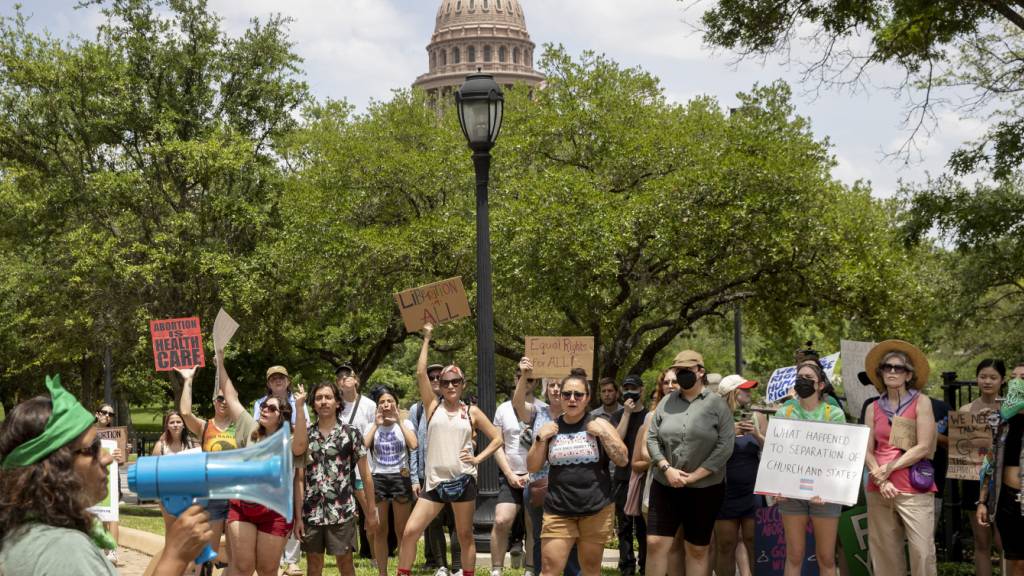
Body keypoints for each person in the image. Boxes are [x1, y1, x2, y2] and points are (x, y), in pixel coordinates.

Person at [0, 375, 211, 576]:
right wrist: (174, 558)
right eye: (92, 449)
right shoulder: (63, 549)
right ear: (53, 467)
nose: (107, 458)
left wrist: (173, 552)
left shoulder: (30, 534)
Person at [396, 322, 504, 576]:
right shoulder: (432, 407)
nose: (450, 386)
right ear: (440, 386)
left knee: (465, 535)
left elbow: (498, 438)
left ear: (463, 384)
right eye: (445, 382)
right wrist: (426, 338)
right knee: (411, 531)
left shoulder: (472, 412)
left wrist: (478, 458)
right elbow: (421, 372)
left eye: (456, 381)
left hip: (463, 480)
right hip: (434, 483)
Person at [524, 367, 627, 576]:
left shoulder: (600, 424)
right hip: (558, 509)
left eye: (578, 394)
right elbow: (532, 467)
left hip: (595, 509)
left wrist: (603, 435)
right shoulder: (551, 429)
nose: (572, 399)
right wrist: (539, 439)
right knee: (549, 569)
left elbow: (623, 459)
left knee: (590, 569)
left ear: (587, 398)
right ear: (560, 397)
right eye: (567, 394)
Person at [215, 352, 307, 576]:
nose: (265, 409)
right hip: (242, 506)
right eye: (265, 406)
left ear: (282, 416)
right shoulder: (249, 426)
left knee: (267, 570)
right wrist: (220, 362)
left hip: (275, 511)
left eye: (272, 408)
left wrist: (302, 406)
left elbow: (301, 448)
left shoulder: (289, 438)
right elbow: (231, 395)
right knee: (244, 568)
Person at [646, 350, 734, 576]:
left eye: (687, 371)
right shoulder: (665, 402)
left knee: (696, 549)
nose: (682, 375)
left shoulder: (717, 405)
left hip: (705, 489)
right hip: (665, 484)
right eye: (678, 371)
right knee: (656, 543)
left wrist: (695, 476)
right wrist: (666, 467)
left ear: (700, 372)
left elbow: (725, 446)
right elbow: (652, 438)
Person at [863, 340, 937, 576]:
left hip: (914, 489)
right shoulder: (872, 407)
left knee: (922, 554)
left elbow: (924, 446)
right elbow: (866, 450)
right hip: (879, 490)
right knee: (885, 556)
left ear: (908, 375)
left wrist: (889, 468)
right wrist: (882, 478)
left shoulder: (921, 402)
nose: (892, 371)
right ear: (880, 372)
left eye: (899, 368)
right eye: (887, 367)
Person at [293, 380, 379, 576]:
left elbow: (366, 476)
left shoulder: (351, 433)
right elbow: (299, 479)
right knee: (313, 565)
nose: (323, 401)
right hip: (311, 512)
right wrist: (298, 517)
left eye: (328, 397)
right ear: (313, 404)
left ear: (337, 403)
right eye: (318, 398)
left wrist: (371, 511)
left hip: (342, 511)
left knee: (345, 564)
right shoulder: (305, 436)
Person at [774, 364, 845, 576]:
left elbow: (838, 457)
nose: (802, 380)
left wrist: (825, 488)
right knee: (794, 555)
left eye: (808, 377)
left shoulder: (833, 414)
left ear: (821, 385)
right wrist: (775, 486)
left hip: (824, 495)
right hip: (790, 493)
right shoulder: (784, 411)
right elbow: (777, 453)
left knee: (826, 557)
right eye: (799, 377)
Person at [514, 368, 583, 576]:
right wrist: (525, 376)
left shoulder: (575, 414)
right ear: (545, 389)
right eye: (551, 385)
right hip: (539, 488)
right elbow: (517, 404)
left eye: (558, 385)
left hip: (568, 488)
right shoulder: (537, 413)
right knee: (540, 538)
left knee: (571, 537)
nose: (554, 389)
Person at [179, 364, 243, 567]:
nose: (223, 402)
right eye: (219, 398)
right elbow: (186, 413)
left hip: (236, 496)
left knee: (236, 558)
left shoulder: (242, 426)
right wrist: (188, 381)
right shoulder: (205, 426)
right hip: (212, 495)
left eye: (227, 398)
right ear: (214, 401)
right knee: (207, 554)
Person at [491, 364, 546, 576]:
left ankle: (530, 569)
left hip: (536, 476)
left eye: (530, 379)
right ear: (515, 379)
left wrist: (532, 474)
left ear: (537, 383)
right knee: (501, 519)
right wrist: (509, 474)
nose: (525, 381)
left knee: (532, 524)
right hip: (510, 475)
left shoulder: (544, 409)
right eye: (520, 377)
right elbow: (498, 445)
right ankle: (497, 569)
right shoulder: (503, 409)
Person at [254, 366, 309, 576]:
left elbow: (302, 438)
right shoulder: (259, 404)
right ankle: (274, 562)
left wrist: (300, 407)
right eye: (273, 378)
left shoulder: (298, 402)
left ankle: (292, 560)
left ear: (288, 381)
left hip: (292, 456)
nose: (277, 381)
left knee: (294, 495)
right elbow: (256, 431)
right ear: (268, 383)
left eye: (281, 378)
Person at [409, 363, 462, 576]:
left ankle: (458, 566)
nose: (434, 380)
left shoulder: (461, 407)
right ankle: (440, 565)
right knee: (434, 522)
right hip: (427, 474)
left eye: (438, 377)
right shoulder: (419, 408)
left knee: (457, 523)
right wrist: (414, 477)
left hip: (456, 474)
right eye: (431, 377)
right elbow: (413, 445)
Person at [632, 369, 684, 575]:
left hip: (687, 486)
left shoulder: (695, 414)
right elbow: (644, 452)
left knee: (678, 546)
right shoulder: (652, 416)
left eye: (675, 381)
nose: (670, 385)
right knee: (657, 545)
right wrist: (666, 462)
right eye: (666, 382)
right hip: (657, 486)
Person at [365, 385, 418, 576]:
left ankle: (403, 571)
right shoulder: (373, 425)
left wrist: (399, 421)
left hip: (400, 477)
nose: (386, 405)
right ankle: (382, 573)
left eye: (390, 401)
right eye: (382, 402)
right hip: (378, 477)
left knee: (402, 530)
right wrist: (375, 425)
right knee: (380, 530)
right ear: (377, 406)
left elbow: (413, 444)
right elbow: (362, 447)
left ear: (396, 404)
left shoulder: (406, 424)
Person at [713, 374, 762, 576]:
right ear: (732, 393)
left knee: (753, 542)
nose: (749, 392)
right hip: (724, 491)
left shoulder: (757, 416)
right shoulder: (715, 417)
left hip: (752, 491)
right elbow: (705, 450)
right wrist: (729, 432)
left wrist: (757, 435)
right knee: (725, 544)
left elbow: (772, 451)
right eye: (745, 389)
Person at [961, 359, 1006, 576]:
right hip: (973, 479)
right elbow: (961, 452)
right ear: (977, 378)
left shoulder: (1011, 409)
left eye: (993, 377)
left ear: (1002, 380)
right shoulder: (966, 410)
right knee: (981, 542)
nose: (987, 381)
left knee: (1004, 543)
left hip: (1004, 481)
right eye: (983, 376)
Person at [978, 373, 1024, 576]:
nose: (1017, 381)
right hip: (1007, 499)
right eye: (1014, 377)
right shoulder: (1001, 421)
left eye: (1023, 377)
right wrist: (982, 501)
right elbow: (989, 463)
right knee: (1015, 561)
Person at [337, 366, 379, 562]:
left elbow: (375, 435)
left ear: (356, 381)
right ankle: (346, 550)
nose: (343, 380)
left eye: (347, 376)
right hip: (340, 470)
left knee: (369, 510)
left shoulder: (369, 406)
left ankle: (373, 554)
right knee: (344, 513)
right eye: (340, 378)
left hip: (363, 468)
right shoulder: (336, 406)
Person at [610, 374, 648, 576]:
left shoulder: (650, 416)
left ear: (641, 390)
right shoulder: (617, 416)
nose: (629, 392)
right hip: (622, 478)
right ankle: (626, 566)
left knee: (643, 527)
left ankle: (645, 565)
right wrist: (626, 413)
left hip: (642, 477)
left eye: (633, 388)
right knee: (624, 526)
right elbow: (616, 441)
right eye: (626, 388)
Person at [152, 409, 198, 533]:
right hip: (166, 493)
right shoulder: (160, 446)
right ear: (167, 425)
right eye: (172, 422)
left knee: (189, 527)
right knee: (171, 527)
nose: (176, 425)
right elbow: (153, 471)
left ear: (184, 424)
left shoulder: (193, 445)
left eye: (178, 421)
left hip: (188, 493)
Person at [93, 401, 125, 566]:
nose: (107, 416)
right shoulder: (87, 433)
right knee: (97, 514)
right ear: (97, 414)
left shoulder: (117, 435)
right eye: (104, 412)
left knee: (113, 514)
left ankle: (112, 551)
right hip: (92, 478)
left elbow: (122, 461)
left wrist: (121, 455)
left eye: (110, 414)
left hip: (112, 477)